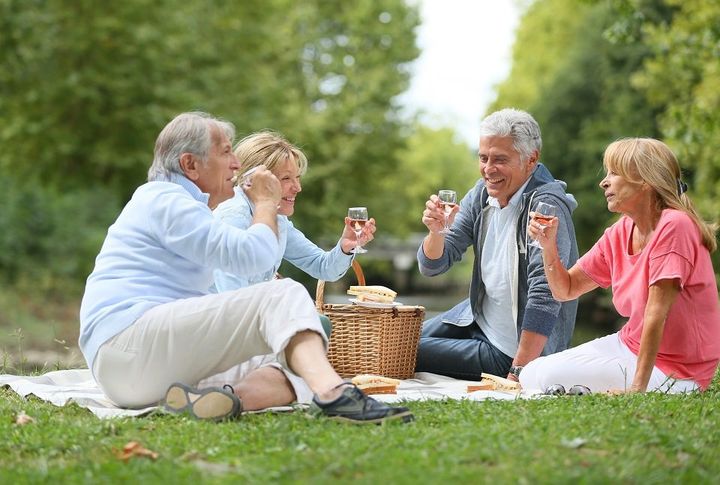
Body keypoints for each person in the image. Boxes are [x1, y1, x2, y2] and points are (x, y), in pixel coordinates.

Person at [79, 112, 412, 424]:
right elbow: (254, 259)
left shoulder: (188, 208)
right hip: (127, 347)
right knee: (286, 294)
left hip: (143, 368)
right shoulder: (166, 201)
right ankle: (336, 394)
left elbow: (303, 265)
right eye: (226, 153)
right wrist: (266, 202)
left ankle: (221, 400)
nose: (236, 164)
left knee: (298, 363)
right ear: (190, 164)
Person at [520, 138, 720, 393]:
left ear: (645, 181)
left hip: (679, 370)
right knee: (532, 373)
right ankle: (597, 388)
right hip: (628, 344)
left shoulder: (675, 225)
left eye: (614, 173)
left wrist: (637, 390)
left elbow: (656, 314)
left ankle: (618, 388)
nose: (603, 182)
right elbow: (565, 290)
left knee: (550, 376)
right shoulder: (619, 232)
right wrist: (548, 247)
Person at [200, 131, 376, 409]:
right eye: (286, 179)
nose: (297, 188)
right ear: (255, 182)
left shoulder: (278, 222)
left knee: (318, 326)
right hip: (221, 329)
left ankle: (237, 394)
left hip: (249, 323)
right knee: (311, 334)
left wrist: (347, 246)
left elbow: (323, 268)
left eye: (297, 178)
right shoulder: (233, 216)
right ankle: (238, 390)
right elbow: (229, 295)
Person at [415, 108, 579, 383]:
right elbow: (433, 266)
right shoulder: (481, 194)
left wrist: (519, 370)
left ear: (531, 159)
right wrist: (436, 232)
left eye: (500, 160)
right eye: (483, 158)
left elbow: (545, 293)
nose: (488, 170)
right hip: (474, 320)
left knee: (403, 352)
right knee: (398, 340)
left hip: (510, 348)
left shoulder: (545, 206)